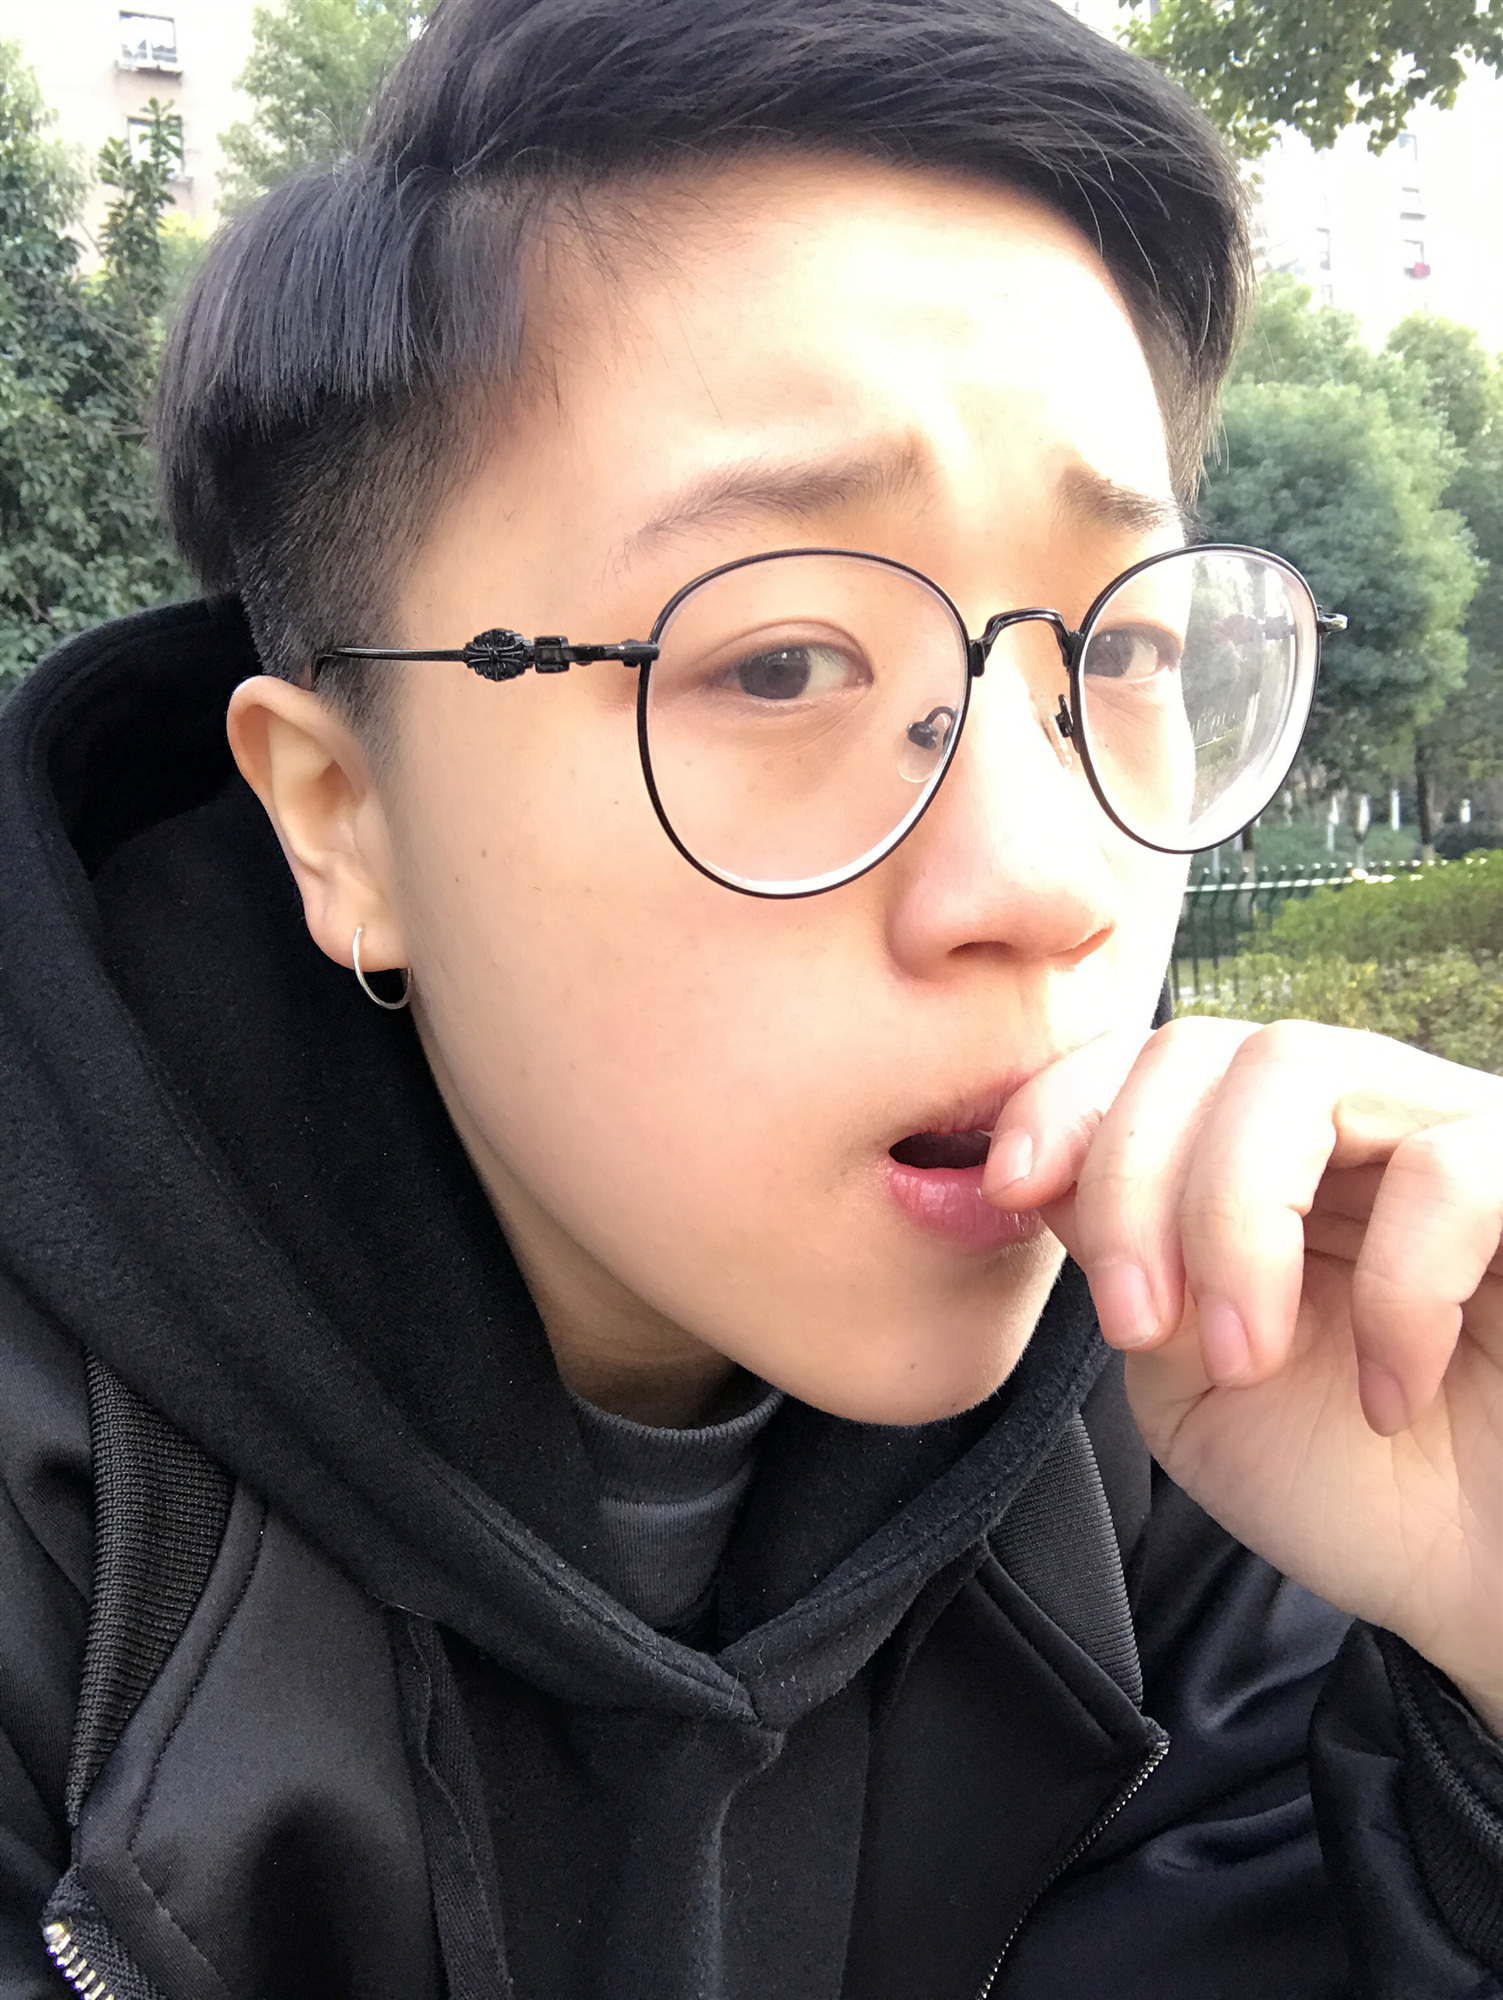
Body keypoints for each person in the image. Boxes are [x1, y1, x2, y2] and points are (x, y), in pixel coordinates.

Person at [1, 0, 1499, 1994]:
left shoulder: (1239, 1402)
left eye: (1115, 656)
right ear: (342, 819)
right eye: (783, 662)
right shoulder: (64, 1550)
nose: (1052, 886)